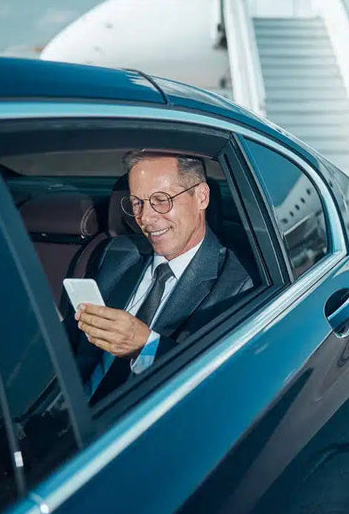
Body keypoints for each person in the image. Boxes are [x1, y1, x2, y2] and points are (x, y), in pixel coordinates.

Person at [74, 151, 253, 402]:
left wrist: (145, 346)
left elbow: (217, 387)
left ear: (201, 197)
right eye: (137, 202)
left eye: (161, 199)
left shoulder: (236, 284)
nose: (145, 218)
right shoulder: (115, 255)